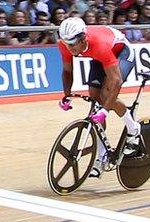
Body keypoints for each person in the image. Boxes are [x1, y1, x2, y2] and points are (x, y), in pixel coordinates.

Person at [58, 16, 141, 178]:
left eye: (73, 44)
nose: (69, 48)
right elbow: (67, 71)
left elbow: (116, 81)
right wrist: (66, 95)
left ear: (82, 39)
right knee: (95, 97)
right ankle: (101, 157)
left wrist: (106, 110)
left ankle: (134, 129)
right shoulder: (65, 44)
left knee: (106, 94)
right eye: (67, 44)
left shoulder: (100, 45)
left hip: (121, 53)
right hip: (99, 57)